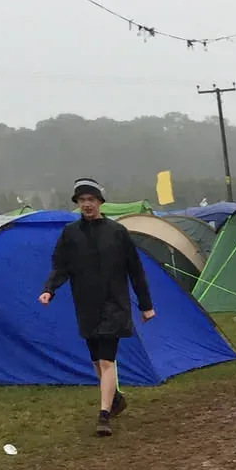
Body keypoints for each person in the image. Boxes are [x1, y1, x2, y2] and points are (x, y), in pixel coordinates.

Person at [38, 178, 155, 436]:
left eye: (91, 200)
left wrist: (146, 305)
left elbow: (135, 270)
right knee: (95, 359)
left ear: (100, 202)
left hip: (115, 303)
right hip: (86, 304)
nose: (86, 205)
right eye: (82, 201)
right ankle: (115, 399)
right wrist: (49, 289)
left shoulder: (117, 232)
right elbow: (60, 266)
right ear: (77, 204)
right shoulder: (70, 233)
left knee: (106, 359)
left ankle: (104, 416)